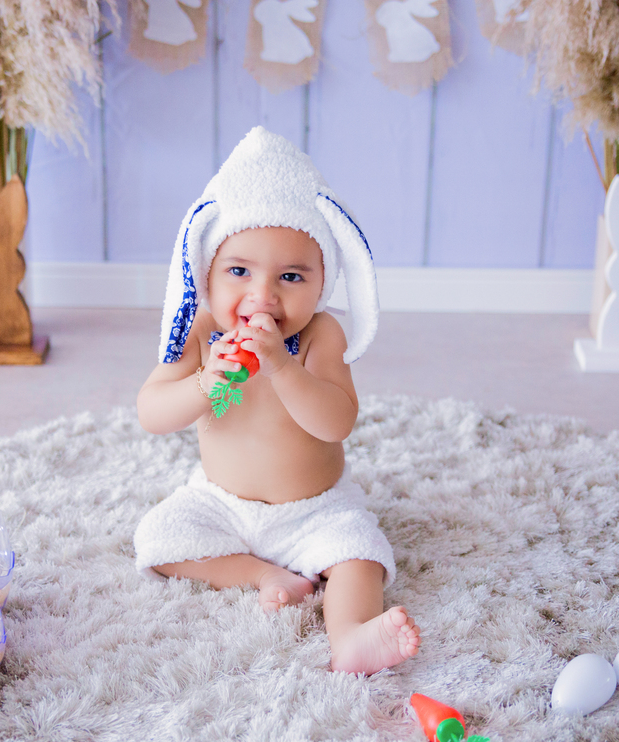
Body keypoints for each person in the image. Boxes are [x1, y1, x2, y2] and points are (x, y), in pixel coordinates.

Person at [133, 127, 419, 675]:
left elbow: (337, 422)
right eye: (239, 271)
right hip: (222, 502)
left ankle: (353, 636)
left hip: (313, 508)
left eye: (290, 277)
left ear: (322, 285)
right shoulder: (200, 333)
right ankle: (259, 573)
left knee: (361, 555)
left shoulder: (318, 337)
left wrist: (283, 366)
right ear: (207, 274)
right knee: (158, 538)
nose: (263, 296)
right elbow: (151, 411)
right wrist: (202, 385)